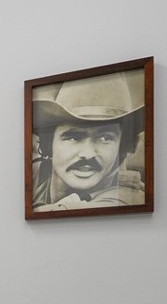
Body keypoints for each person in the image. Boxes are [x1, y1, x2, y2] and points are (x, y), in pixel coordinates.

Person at [32, 72, 145, 211]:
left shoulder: (128, 197)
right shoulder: (37, 172)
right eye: (74, 137)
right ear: (49, 144)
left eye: (104, 138)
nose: (88, 154)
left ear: (122, 147)